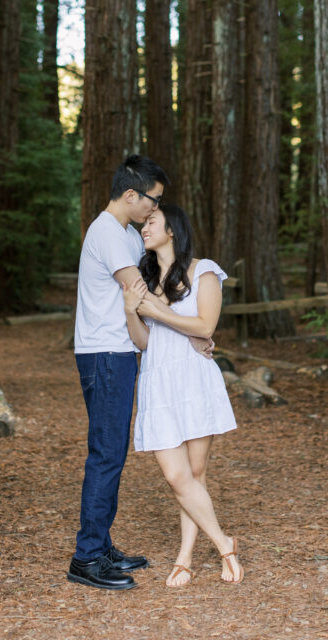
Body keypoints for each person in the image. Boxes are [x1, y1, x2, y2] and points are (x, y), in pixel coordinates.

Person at [122, 202, 244, 586]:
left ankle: (185, 556)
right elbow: (144, 341)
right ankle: (224, 542)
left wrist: (157, 310)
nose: (144, 227)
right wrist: (131, 311)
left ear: (172, 229)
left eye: (152, 221)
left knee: (195, 473)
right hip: (158, 380)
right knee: (177, 477)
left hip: (192, 378)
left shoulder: (202, 271)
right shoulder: (143, 280)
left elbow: (206, 326)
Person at [66, 154, 171, 592]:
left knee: (111, 450)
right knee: (107, 453)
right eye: (152, 199)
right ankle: (86, 558)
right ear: (131, 194)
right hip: (106, 353)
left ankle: (101, 544)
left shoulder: (124, 233)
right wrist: (196, 328)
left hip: (117, 350)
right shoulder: (107, 232)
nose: (154, 209)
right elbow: (138, 295)